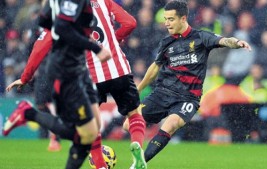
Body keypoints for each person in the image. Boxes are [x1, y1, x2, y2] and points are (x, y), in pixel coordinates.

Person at [124, 0, 252, 165]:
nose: (167, 23)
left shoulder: (200, 37)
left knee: (171, 123)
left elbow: (223, 40)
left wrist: (236, 43)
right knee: (128, 124)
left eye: (171, 19)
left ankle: (139, 163)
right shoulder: (166, 42)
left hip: (187, 98)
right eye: (165, 19)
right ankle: (139, 153)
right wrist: (138, 89)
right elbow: (154, 68)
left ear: (183, 18)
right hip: (163, 93)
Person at [3, 0, 111, 168]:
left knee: (93, 128)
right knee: (79, 134)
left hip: (79, 67)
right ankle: (28, 112)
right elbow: (60, 28)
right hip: (66, 71)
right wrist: (95, 48)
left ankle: (100, 166)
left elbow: (45, 23)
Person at [87, 1, 147, 169]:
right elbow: (131, 23)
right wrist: (116, 38)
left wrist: (27, 76)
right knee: (134, 114)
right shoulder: (104, 2)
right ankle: (137, 151)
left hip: (90, 75)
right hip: (118, 69)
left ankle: (100, 166)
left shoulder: (65, 8)